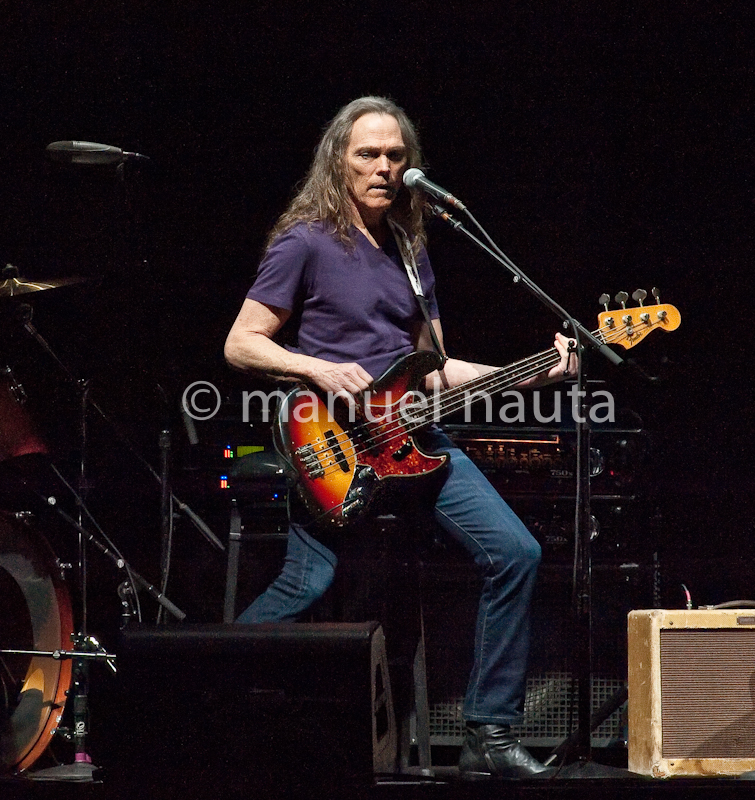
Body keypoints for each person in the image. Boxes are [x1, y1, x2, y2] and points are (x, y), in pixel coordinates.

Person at [224, 96, 576, 780]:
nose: (383, 167)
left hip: (412, 435)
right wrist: (316, 366)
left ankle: (490, 731)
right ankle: (202, 694)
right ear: (339, 161)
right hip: (331, 441)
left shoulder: (413, 252)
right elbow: (241, 342)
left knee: (516, 552)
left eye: (395, 155)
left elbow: (436, 368)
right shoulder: (306, 240)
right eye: (367, 154)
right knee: (307, 581)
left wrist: (532, 372)